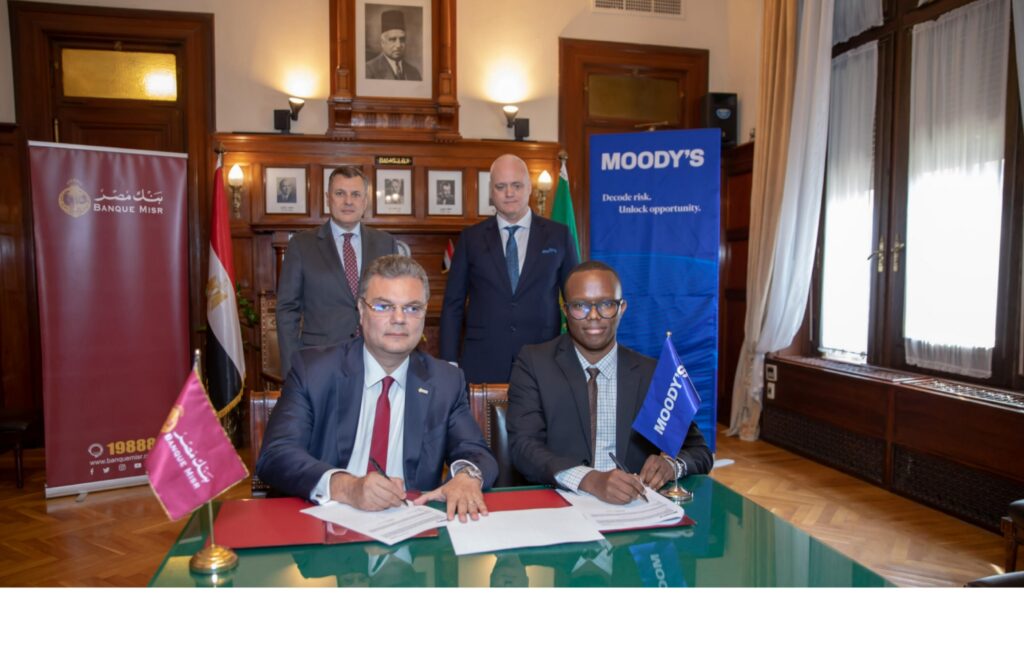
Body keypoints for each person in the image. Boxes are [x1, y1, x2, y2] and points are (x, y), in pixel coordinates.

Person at [258, 255, 499, 521]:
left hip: (409, 524)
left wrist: (466, 477)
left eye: (412, 308)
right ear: (361, 311)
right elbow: (276, 455)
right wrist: (347, 487)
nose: (399, 319)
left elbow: (476, 452)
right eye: (384, 306)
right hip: (324, 519)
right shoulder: (314, 371)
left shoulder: (445, 381)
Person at [507, 261, 713, 504]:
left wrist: (671, 465)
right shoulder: (534, 363)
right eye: (580, 306)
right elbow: (523, 448)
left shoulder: (651, 374)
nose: (594, 316)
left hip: (634, 508)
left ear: (622, 307)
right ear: (565, 310)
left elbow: (700, 452)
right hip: (558, 505)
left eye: (606, 304)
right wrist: (590, 480)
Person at [439, 154, 578, 383]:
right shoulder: (470, 239)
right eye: (501, 186)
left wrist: (578, 355)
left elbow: (575, 301)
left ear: (529, 188)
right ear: (491, 192)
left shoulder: (559, 235)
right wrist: (449, 360)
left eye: (516, 185)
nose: (509, 193)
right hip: (483, 360)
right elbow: (453, 304)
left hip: (544, 358)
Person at [276, 165, 401, 377]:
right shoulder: (302, 245)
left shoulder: (385, 243)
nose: (348, 201)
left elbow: (396, 302)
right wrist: (292, 368)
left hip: (377, 359)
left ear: (365, 201)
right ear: (328, 198)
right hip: (319, 360)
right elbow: (287, 310)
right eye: (340, 193)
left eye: (355, 194)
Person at [365, 9, 422, 81]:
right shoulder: (369, 70)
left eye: (402, 39)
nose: (398, 45)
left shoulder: (414, 72)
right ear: (382, 42)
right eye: (392, 39)